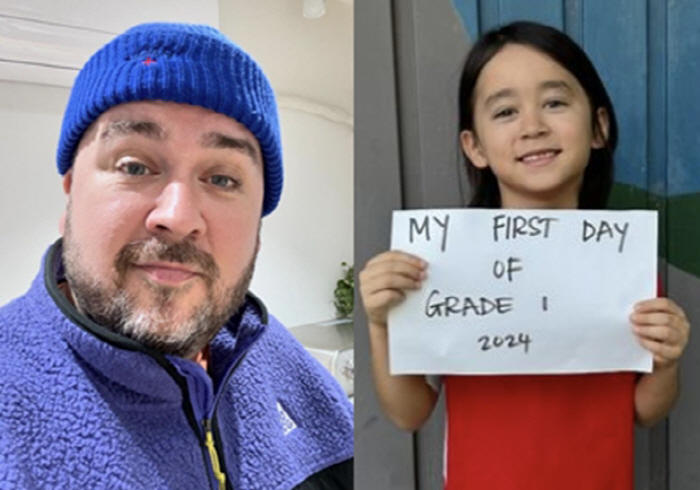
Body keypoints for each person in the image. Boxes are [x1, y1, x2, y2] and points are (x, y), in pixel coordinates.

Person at [0, 22, 353, 490]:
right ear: (69, 195)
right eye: (135, 166)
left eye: (223, 179)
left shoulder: (280, 361)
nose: (178, 216)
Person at [359, 21, 690, 490]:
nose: (533, 126)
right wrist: (380, 325)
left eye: (554, 103)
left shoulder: (624, 266)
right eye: (505, 111)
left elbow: (641, 410)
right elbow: (409, 412)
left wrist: (667, 363)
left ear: (598, 127)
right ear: (474, 147)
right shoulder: (440, 266)